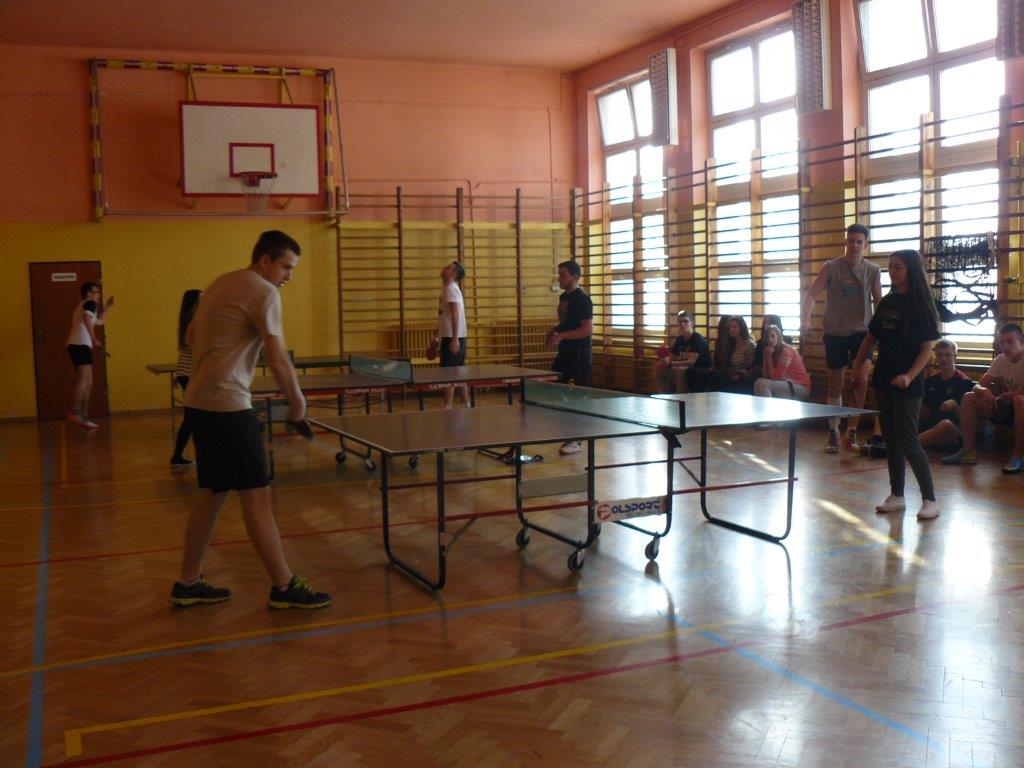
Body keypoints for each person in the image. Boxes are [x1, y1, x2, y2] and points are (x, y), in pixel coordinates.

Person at [170, 230, 331, 609]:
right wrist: (298, 405)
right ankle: (284, 586)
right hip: (228, 406)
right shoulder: (265, 292)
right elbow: (278, 359)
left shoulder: (220, 282)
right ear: (265, 261)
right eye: (286, 267)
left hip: (199, 403)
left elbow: (190, 336)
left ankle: (188, 582)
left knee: (212, 493)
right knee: (257, 497)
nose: (288, 276)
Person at [852, 249, 941, 520]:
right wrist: (858, 365)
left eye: (897, 267)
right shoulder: (887, 302)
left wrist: (909, 376)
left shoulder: (921, 305)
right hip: (884, 378)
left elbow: (926, 349)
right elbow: (870, 338)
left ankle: (929, 499)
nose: (892, 271)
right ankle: (897, 495)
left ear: (910, 270)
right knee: (891, 439)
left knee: (908, 440)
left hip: (908, 384)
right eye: (890, 267)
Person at [801, 223, 881, 453]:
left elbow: (878, 301)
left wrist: (882, 331)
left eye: (859, 242)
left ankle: (852, 430)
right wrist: (805, 320)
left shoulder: (872, 270)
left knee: (860, 381)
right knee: (835, 383)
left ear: (865, 244)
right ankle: (834, 430)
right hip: (835, 332)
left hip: (862, 333)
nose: (854, 246)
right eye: (851, 241)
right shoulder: (831, 267)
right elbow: (811, 295)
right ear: (846, 242)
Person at [942, 323, 1024, 474]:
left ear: (1022, 341)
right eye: (1002, 343)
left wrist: (1012, 395)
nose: (1005, 346)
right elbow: (978, 385)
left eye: (1010, 341)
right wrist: (984, 390)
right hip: (1010, 405)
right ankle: (968, 452)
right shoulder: (1000, 360)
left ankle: (1018, 456)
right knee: (969, 398)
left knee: (1020, 400)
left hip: (1019, 403)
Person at [546, 259, 593, 455]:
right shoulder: (564, 297)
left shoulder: (582, 299)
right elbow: (568, 322)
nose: (559, 278)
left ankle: (576, 440)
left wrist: (562, 336)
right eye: (559, 274)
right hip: (565, 352)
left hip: (579, 355)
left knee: (575, 396)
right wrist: (555, 330)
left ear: (575, 277)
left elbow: (586, 329)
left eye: (562, 275)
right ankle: (568, 433)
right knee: (559, 392)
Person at [66, 281, 114, 429]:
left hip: (79, 345)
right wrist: (93, 338)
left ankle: (84, 417)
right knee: (85, 377)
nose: (99, 294)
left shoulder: (85, 305)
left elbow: (99, 322)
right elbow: (87, 318)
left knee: (89, 380)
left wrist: (108, 307)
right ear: (89, 294)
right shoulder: (89, 303)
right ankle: (75, 412)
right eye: (96, 292)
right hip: (80, 344)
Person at [918, 339, 974, 450]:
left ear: (954, 357)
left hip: (954, 431)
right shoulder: (930, 381)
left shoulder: (964, 382)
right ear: (936, 357)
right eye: (940, 355)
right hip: (930, 428)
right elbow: (924, 414)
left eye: (948, 355)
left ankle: (904, 448)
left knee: (945, 424)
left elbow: (967, 421)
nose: (943, 359)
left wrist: (955, 405)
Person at [170, 289, 202, 468]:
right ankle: (178, 456)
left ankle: (178, 456)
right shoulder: (194, 320)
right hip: (189, 374)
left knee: (192, 417)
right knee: (192, 418)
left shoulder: (187, 319)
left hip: (185, 373)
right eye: (202, 299)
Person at [685, 316, 756, 393]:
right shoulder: (731, 344)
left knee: (703, 375)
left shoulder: (749, 345)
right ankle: (693, 395)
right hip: (729, 373)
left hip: (740, 376)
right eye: (729, 327)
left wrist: (741, 374)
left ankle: (697, 397)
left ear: (741, 328)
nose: (731, 329)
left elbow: (753, 366)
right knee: (691, 371)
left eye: (734, 327)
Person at [432, 260, 469, 408]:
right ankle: (465, 404)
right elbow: (444, 316)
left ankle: (448, 407)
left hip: (453, 338)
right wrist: (436, 336)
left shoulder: (451, 289)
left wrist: (454, 339)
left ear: (453, 274)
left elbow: (455, 315)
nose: (444, 268)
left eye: (448, 267)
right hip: (450, 336)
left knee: (449, 374)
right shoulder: (447, 289)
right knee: (458, 373)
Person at [654, 310, 711, 394]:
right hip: (683, 368)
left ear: (692, 324)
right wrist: (665, 361)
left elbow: (691, 362)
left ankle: (681, 398)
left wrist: (672, 363)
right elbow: (671, 358)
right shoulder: (679, 339)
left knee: (680, 370)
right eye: (680, 322)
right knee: (658, 369)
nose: (683, 324)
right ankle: (664, 395)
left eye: (686, 321)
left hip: (699, 370)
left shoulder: (697, 339)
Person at [754, 324, 811, 400]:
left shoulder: (786, 351)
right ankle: (761, 407)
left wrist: (769, 357)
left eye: (773, 336)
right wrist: (765, 356)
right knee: (758, 382)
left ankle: (767, 407)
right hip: (788, 383)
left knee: (763, 384)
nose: (770, 339)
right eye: (767, 337)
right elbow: (766, 376)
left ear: (778, 336)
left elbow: (775, 377)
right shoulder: (772, 350)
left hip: (801, 387)